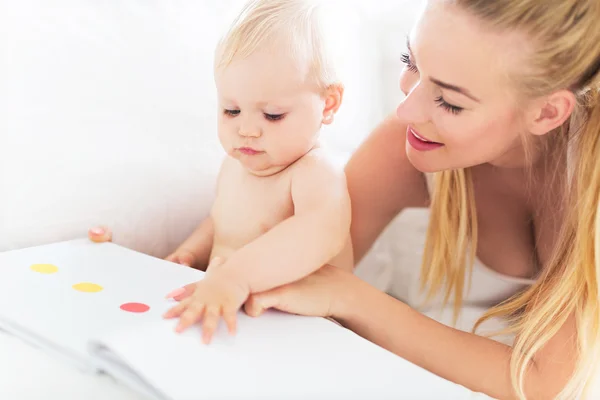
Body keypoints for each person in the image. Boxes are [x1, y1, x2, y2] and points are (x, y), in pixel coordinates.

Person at [90, 0, 600, 398]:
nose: (405, 108)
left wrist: (350, 298)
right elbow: (286, 261)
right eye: (409, 62)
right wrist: (153, 270)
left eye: (448, 100)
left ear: (546, 112)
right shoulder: (405, 148)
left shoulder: (586, 191)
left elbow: (541, 385)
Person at [162, 0, 352, 344]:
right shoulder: (235, 165)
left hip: (302, 326)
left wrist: (235, 278)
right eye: (231, 110)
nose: (247, 129)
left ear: (328, 104)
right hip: (231, 308)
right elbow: (222, 221)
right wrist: (190, 253)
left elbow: (318, 232)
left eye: (273, 115)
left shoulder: (315, 172)